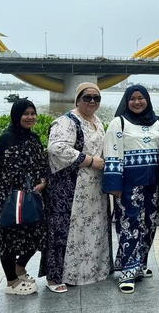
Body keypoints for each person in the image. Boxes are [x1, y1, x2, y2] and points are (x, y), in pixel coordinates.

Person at [43, 82, 110, 292]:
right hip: (71, 189)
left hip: (94, 189)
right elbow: (56, 148)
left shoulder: (97, 121)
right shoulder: (67, 121)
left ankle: (90, 271)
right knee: (65, 231)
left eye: (96, 98)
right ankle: (55, 277)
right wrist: (89, 160)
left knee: (91, 230)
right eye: (87, 97)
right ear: (77, 99)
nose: (91, 102)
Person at [0, 99, 48, 296]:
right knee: (7, 238)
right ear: (16, 115)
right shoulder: (6, 139)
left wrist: (43, 182)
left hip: (31, 196)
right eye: (25, 113)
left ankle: (20, 268)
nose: (30, 117)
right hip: (8, 197)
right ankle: (11, 282)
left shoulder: (34, 138)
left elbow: (41, 166)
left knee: (37, 234)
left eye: (33, 113)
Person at [103, 85, 159, 293]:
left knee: (149, 224)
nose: (137, 102)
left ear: (147, 100)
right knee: (129, 225)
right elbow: (112, 153)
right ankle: (128, 271)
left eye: (141, 98)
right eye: (133, 99)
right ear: (126, 101)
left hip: (153, 185)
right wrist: (114, 185)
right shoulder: (119, 123)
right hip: (129, 185)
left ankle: (140, 263)